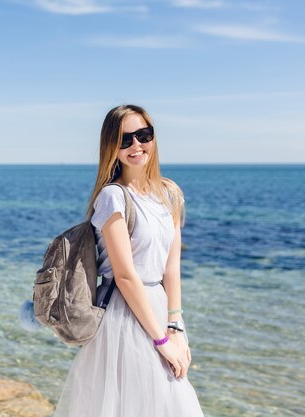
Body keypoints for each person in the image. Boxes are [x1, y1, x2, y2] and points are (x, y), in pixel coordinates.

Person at [51, 104, 205, 417]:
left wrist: (176, 324)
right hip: (124, 314)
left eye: (143, 135)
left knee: (170, 400)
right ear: (112, 147)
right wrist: (161, 340)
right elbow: (125, 276)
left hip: (159, 308)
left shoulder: (169, 193)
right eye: (124, 139)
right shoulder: (113, 197)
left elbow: (171, 267)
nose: (136, 145)